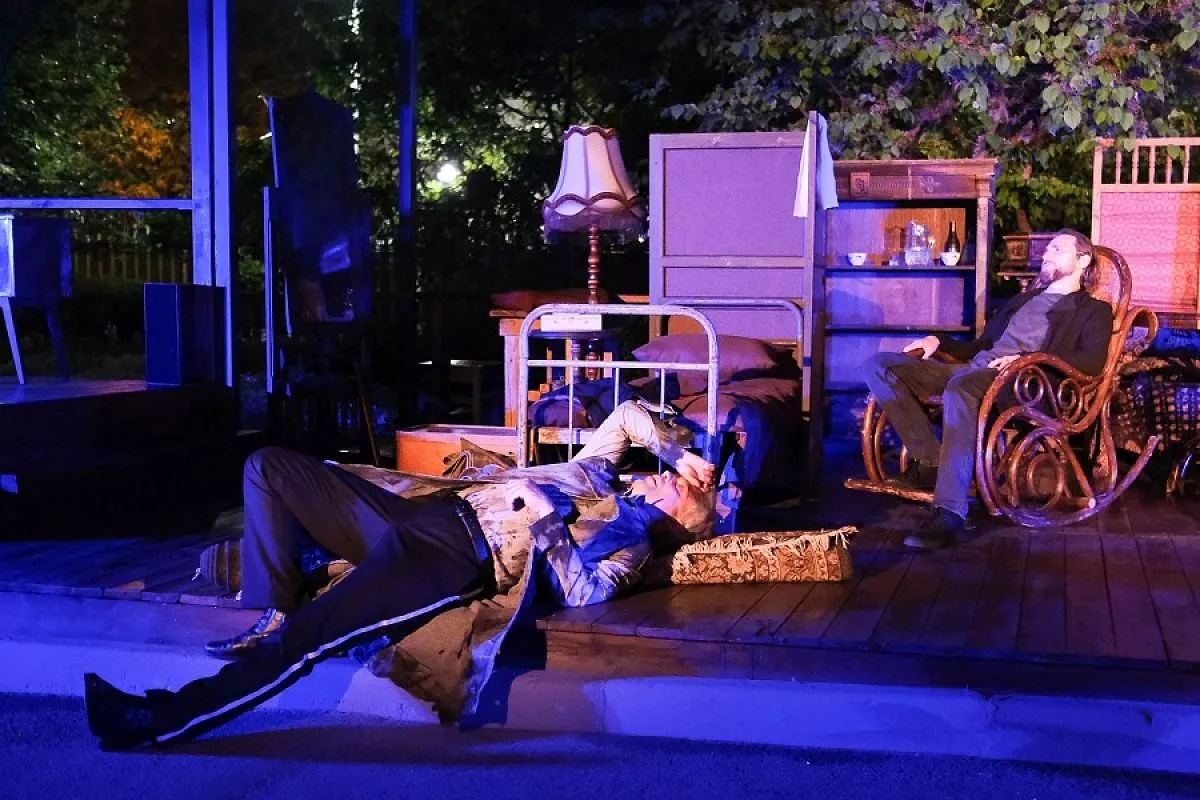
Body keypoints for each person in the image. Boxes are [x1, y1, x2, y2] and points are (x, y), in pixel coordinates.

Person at [84, 399, 716, 750]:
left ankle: (157, 721)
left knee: (313, 636)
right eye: (674, 472)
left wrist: (544, 518)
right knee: (269, 466)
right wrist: (682, 450)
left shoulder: (631, 542)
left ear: (676, 516)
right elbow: (628, 415)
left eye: (679, 485)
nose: (667, 477)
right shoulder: (597, 471)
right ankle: (275, 604)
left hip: (455, 555)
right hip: (427, 512)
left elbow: (583, 592)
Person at [862, 228, 1111, 551]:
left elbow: (1091, 362)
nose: (1046, 255)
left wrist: (1024, 360)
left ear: (1083, 259)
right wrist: (939, 341)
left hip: (1025, 384)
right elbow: (981, 346)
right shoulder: (1023, 300)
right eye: (1047, 249)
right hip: (974, 369)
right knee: (880, 366)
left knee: (961, 388)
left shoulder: (1092, 310)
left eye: (1056, 249)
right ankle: (930, 462)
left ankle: (950, 512)